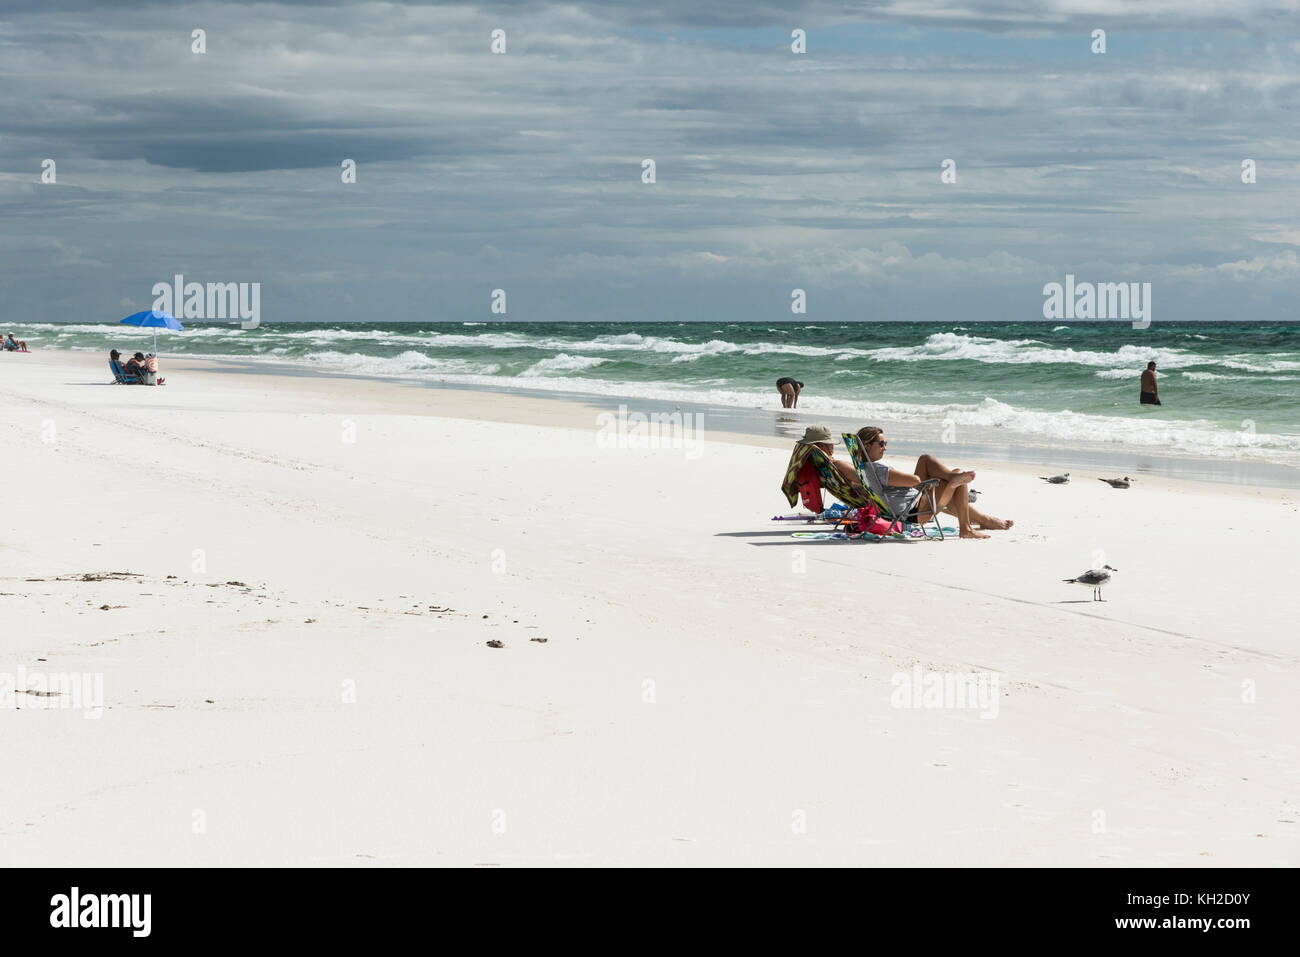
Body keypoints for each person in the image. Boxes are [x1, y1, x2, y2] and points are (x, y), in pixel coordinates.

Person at [856, 426, 1013, 540]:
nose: (885, 448)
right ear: (867, 445)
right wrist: (927, 483)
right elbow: (914, 481)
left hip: (908, 504)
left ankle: (981, 516)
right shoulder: (878, 470)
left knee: (926, 459)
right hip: (915, 512)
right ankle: (966, 529)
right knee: (959, 477)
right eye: (881, 444)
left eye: (886, 443)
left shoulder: (862, 468)